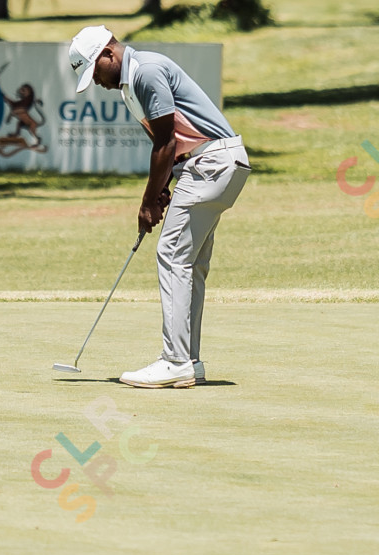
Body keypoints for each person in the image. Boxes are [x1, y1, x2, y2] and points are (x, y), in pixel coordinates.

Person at [67, 25, 249, 388]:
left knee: (172, 255)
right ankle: (189, 361)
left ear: (108, 54)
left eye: (95, 72)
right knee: (190, 262)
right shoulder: (132, 81)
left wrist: (148, 203)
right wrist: (162, 188)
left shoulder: (145, 72)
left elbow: (165, 144)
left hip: (210, 163)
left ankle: (175, 361)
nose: (97, 81)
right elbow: (172, 145)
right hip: (215, 164)